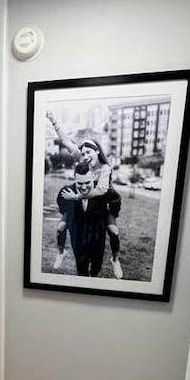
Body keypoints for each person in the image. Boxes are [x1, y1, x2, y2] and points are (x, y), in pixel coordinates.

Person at [47, 111, 123, 278]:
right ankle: (61, 252)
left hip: (105, 200)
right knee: (62, 226)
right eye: (84, 153)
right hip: (84, 198)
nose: (86, 156)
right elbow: (66, 141)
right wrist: (53, 121)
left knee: (113, 230)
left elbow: (101, 191)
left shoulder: (104, 168)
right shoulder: (83, 159)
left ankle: (115, 259)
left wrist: (77, 197)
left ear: (97, 152)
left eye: (90, 152)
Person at [55, 162, 122, 278]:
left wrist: (111, 212)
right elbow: (61, 202)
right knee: (81, 269)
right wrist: (68, 213)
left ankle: (115, 259)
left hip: (97, 233)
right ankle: (61, 253)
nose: (84, 187)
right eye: (80, 183)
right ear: (75, 179)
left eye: (87, 183)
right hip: (78, 234)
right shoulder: (67, 191)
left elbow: (116, 198)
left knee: (97, 265)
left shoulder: (101, 188)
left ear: (93, 178)